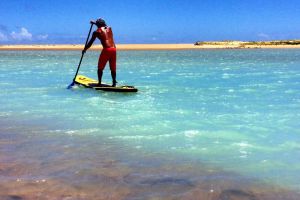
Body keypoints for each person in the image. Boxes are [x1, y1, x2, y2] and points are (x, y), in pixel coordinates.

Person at [82, 18, 117, 86]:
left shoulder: (96, 32)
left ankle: (99, 83)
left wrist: (85, 49)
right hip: (114, 49)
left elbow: (90, 42)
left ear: (97, 25)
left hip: (107, 49)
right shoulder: (109, 28)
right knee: (113, 67)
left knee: (100, 67)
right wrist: (95, 23)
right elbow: (103, 26)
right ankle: (114, 82)